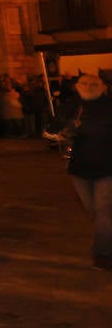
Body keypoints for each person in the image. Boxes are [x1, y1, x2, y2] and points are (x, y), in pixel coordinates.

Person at [52, 73, 112, 270]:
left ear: (102, 86)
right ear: (77, 86)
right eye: (84, 83)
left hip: (106, 167)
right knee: (94, 211)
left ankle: (102, 253)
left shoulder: (109, 106)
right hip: (79, 169)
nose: (88, 86)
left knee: (103, 212)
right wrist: (63, 132)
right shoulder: (72, 106)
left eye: (93, 84)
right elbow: (53, 129)